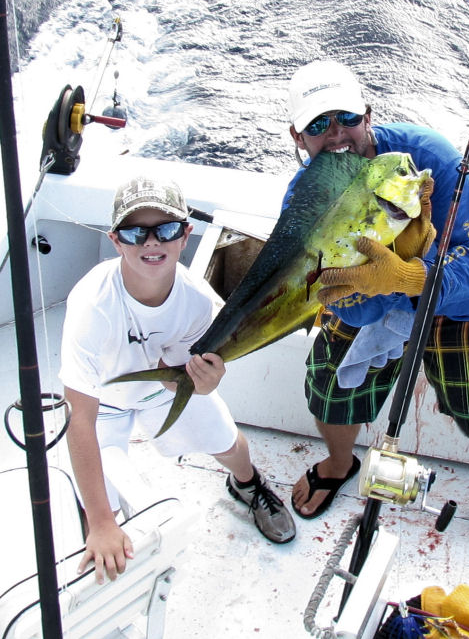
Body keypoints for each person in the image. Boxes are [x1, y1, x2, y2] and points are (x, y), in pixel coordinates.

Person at [284, 59, 469, 581]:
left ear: (368, 115)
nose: (336, 135)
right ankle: (338, 464)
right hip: (374, 297)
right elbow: (343, 295)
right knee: (330, 390)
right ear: (298, 138)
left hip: (464, 302)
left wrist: (408, 276)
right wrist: (382, 288)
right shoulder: (305, 199)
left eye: (346, 117)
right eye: (317, 125)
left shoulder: (428, 160)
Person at [60, 175, 295, 584]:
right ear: (116, 241)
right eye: (136, 233)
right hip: (103, 404)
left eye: (165, 230)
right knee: (100, 514)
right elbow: (78, 418)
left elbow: (179, 378)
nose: (151, 243)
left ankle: (248, 484)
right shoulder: (91, 304)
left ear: (185, 235)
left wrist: (204, 384)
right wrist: (101, 523)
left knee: (230, 442)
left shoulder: (199, 303)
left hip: (160, 393)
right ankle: (96, 521)